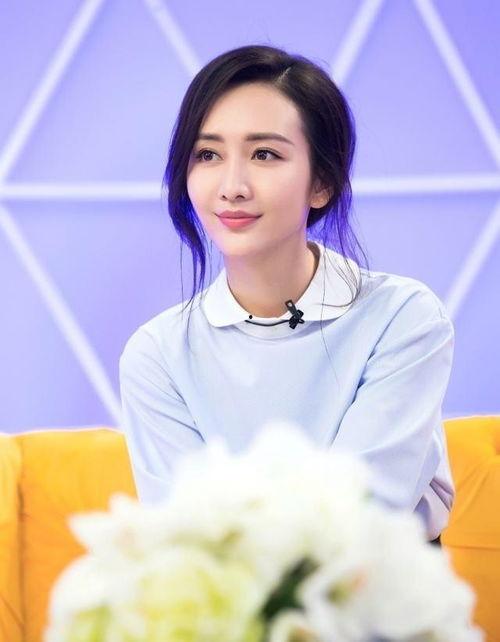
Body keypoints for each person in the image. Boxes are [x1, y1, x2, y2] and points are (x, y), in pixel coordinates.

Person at [119, 44, 454, 545]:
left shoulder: (402, 318)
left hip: (382, 582)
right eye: (207, 155)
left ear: (322, 182)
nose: (232, 186)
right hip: (227, 592)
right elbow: (185, 537)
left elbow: (364, 513)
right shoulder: (157, 354)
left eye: (264, 154)